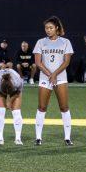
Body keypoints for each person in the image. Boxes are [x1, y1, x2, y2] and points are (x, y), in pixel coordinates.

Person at [35, 16, 74, 146]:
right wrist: (50, 75)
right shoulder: (41, 42)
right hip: (45, 78)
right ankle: (38, 137)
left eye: (51, 28)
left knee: (64, 107)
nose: (48, 30)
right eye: (46, 28)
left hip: (60, 78)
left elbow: (66, 61)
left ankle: (67, 137)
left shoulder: (65, 42)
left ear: (57, 28)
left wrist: (55, 74)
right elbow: (38, 63)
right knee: (42, 107)